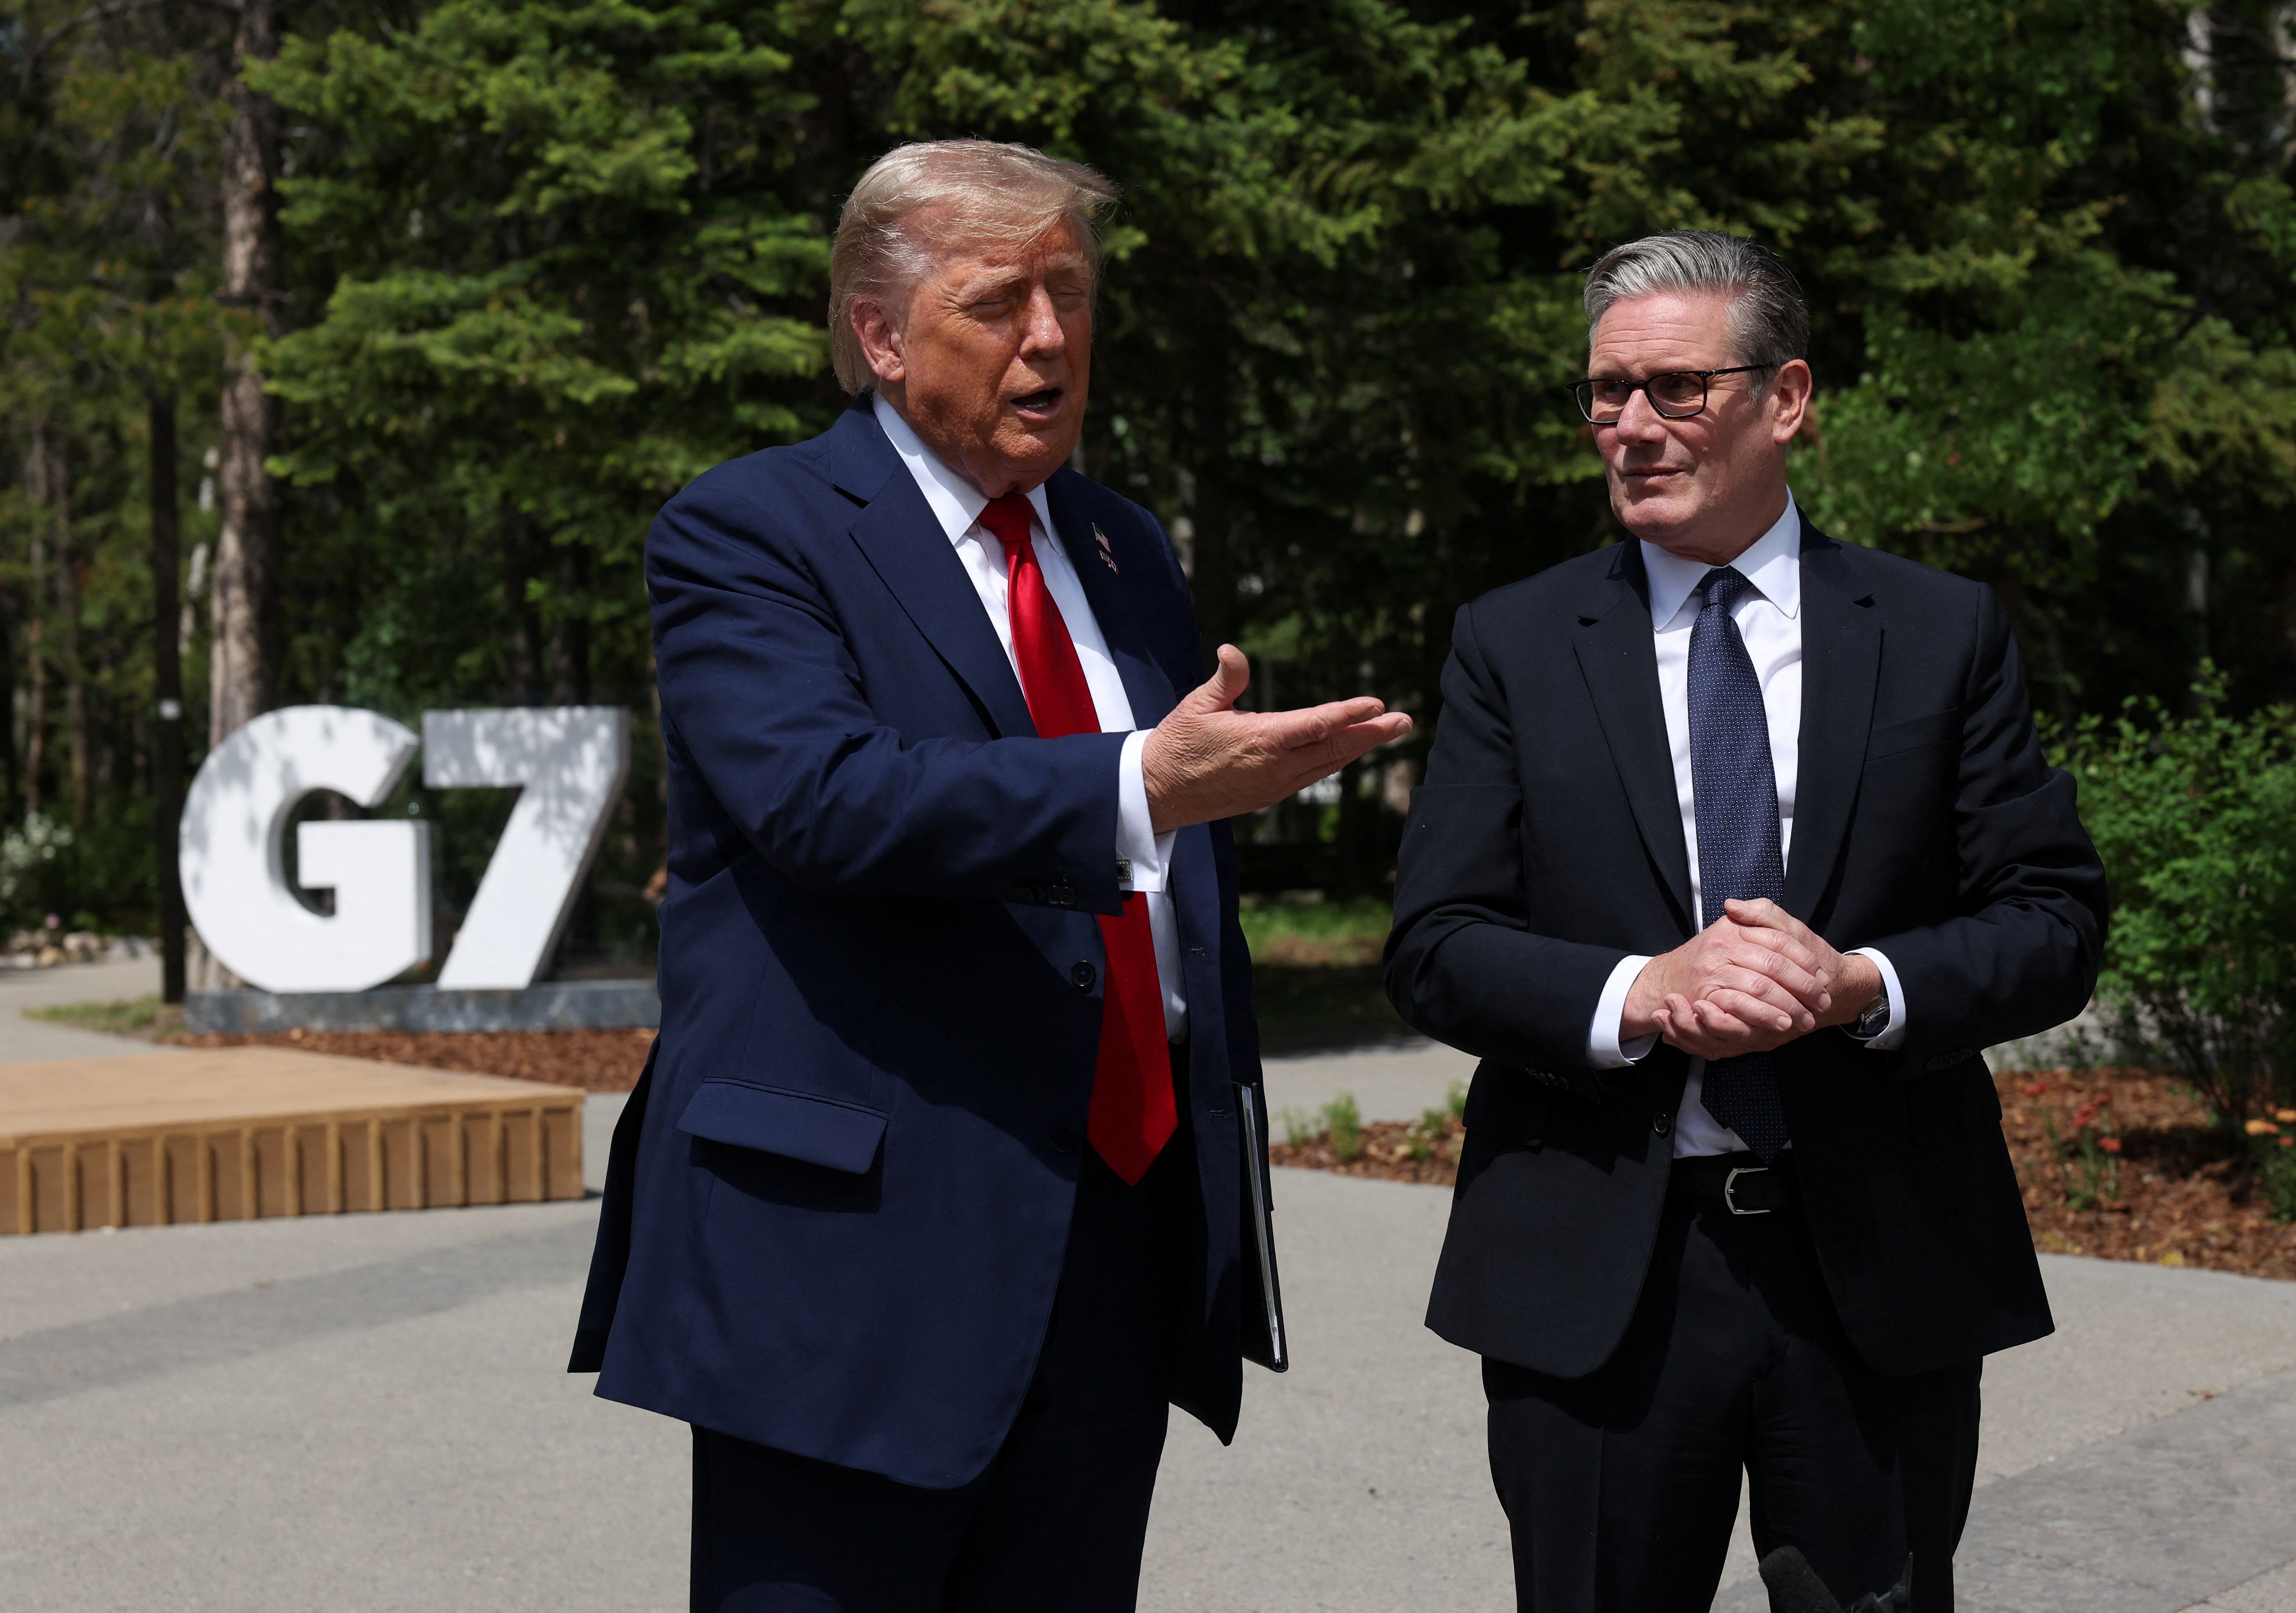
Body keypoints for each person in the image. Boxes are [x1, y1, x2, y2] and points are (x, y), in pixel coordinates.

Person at [570, 139, 1409, 1611]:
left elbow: (1158, 873)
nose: (1049, 337)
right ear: (881, 335)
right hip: (852, 1261)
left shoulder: (1120, 544)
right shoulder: (748, 529)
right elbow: (823, 797)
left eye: (1073, 294)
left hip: (1113, 1236)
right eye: (1000, 299)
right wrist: (1135, 782)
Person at [1384, 230, 2108, 1613]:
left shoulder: (1936, 630)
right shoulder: (1514, 642)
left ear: (1785, 398)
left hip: (1873, 1273)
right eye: (1604, 394)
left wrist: (1863, 982)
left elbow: (2052, 918)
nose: (1630, 428)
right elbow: (1436, 942)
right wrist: (1640, 992)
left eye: (1673, 389)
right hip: (1602, 1274)